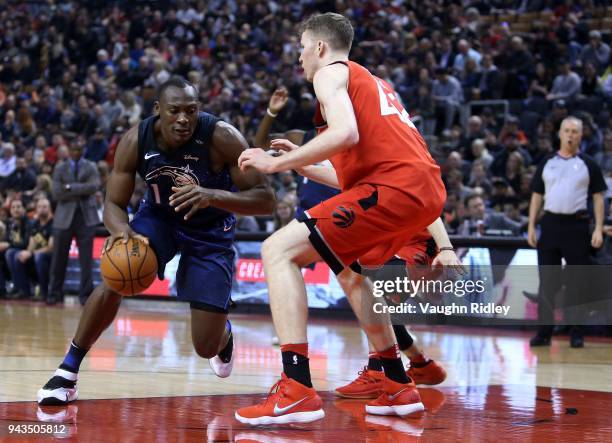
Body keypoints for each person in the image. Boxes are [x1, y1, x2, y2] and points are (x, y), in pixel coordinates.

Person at [235, 13, 448, 425]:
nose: (298, 57)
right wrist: (296, 164)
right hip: (420, 190)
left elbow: (345, 134)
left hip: (397, 187)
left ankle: (295, 388)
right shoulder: (372, 82)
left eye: (301, 47)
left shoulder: (330, 74)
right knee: (351, 273)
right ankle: (397, 383)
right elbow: (347, 175)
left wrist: (275, 164)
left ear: (319, 47)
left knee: (276, 250)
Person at [37, 77, 275, 405]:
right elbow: (113, 205)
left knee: (205, 346)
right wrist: (120, 231)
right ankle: (68, 371)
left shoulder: (221, 137)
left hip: (210, 228)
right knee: (116, 274)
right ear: (157, 110)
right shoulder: (136, 140)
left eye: (191, 111)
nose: (183, 119)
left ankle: (224, 334)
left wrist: (212, 196)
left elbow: (266, 199)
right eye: (174, 111)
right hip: (159, 219)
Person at [255, 87, 452, 398]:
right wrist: (293, 156)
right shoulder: (331, 150)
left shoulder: (374, 145)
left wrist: (446, 247)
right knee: (358, 285)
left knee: (371, 295)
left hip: (417, 247)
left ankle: (383, 372)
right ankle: (415, 365)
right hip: (376, 238)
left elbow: (426, 202)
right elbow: (334, 177)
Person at [527, 116, 607, 348]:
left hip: (577, 225)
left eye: (575, 131)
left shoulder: (588, 163)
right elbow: (536, 195)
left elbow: (598, 197)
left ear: (581, 135)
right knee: (547, 281)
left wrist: (599, 229)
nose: (570, 135)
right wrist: (532, 225)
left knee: (577, 281)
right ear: (560, 133)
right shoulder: (547, 162)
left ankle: (576, 331)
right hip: (550, 224)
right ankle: (544, 332)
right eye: (567, 131)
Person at [48, 138, 101, 306]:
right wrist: (81, 189)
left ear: (83, 150)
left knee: (86, 261)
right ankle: (54, 293)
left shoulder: (91, 166)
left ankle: (85, 295)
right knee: (58, 259)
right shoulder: (59, 167)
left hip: (86, 218)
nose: (76, 152)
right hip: (64, 218)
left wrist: (69, 187)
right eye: (74, 150)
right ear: (69, 150)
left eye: (79, 150)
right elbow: (56, 193)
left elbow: (94, 186)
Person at [11, 198, 53, 301]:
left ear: (50, 209)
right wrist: (28, 252)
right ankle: (23, 290)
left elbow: (51, 247)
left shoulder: (54, 224)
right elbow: (31, 243)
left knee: (39, 257)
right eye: (39, 207)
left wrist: (32, 253)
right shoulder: (34, 224)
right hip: (37, 255)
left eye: (44, 207)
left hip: (50, 257)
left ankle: (44, 292)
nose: (41, 209)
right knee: (17, 255)